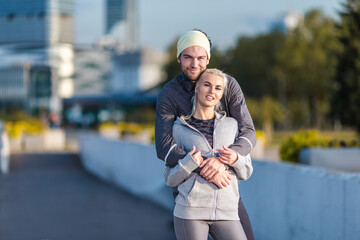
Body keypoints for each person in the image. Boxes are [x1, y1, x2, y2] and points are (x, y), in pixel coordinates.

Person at [155, 29, 256, 239]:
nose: (194, 65)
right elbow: (164, 147)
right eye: (188, 58)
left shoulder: (227, 85)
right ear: (178, 58)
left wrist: (224, 161)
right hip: (190, 192)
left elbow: (248, 131)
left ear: (208, 59)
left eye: (200, 58)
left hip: (224, 191)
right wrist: (204, 165)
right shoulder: (169, 94)